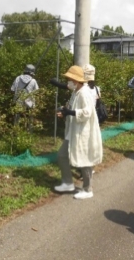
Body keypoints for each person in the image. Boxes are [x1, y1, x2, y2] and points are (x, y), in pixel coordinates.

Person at [54, 65, 103, 200]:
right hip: (74, 130)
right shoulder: (76, 92)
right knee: (62, 155)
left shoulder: (84, 93)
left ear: (76, 80)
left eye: (69, 78)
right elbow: (71, 108)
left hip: (83, 131)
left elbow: (87, 112)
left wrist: (70, 112)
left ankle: (88, 189)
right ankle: (68, 183)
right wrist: (65, 112)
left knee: (85, 159)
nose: (68, 81)